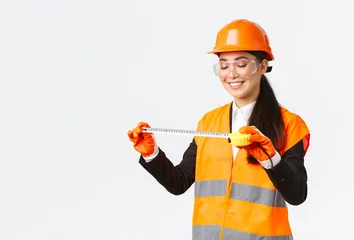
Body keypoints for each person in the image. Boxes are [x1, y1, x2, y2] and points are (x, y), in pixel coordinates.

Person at [127, 19, 311, 240]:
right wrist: (151, 154)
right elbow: (179, 182)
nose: (231, 74)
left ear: (262, 66)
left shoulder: (289, 124)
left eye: (241, 64)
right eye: (224, 65)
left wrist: (271, 159)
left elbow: (297, 194)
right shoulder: (209, 122)